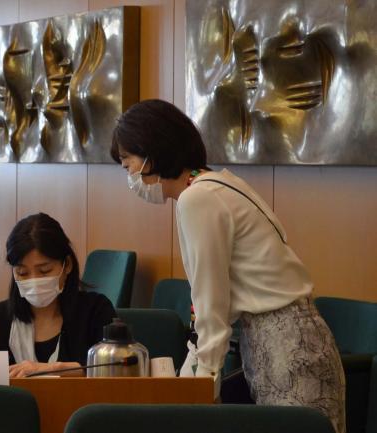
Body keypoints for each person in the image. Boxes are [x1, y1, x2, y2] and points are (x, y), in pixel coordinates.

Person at [111, 99, 345, 433]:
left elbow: (211, 309)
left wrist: (196, 390)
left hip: (286, 349)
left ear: (151, 153)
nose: (129, 176)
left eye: (127, 164)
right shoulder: (216, 183)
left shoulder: (198, 199)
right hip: (290, 339)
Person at [0, 213, 116, 378]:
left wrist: (51, 369)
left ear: (67, 265)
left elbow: (113, 369)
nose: (34, 281)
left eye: (44, 271)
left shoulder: (95, 311)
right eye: (23, 273)